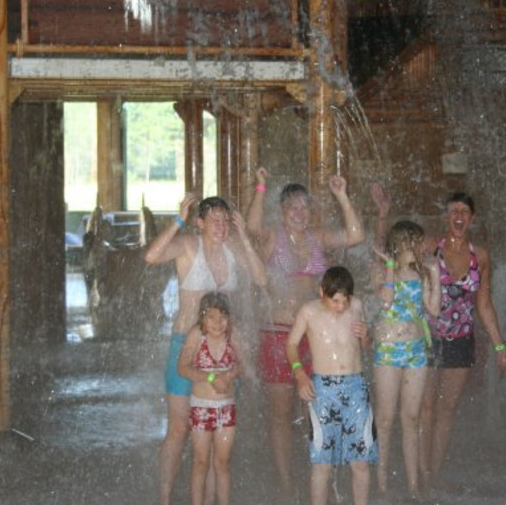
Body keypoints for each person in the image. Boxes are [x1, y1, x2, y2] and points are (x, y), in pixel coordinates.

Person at [246, 168, 364, 501]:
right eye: (292, 208)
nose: (299, 213)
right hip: (278, 334)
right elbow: (252, 227)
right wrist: (261, 187)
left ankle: (315, 475)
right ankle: (285, 484)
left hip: (316, 337)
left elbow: (356, 235)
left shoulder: (319, 237)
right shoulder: (272, 236)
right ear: (282, 211)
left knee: (314, 411)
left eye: (304, 208)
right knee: (282, 413)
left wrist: (341, 195)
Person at [144, 193, 267, 505]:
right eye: (215, 220)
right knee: (179, 428)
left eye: (226, 220)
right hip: (185, 345)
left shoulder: (234, 247)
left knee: (214, 433)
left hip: (222, 350)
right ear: (200, 223)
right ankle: (164, 498)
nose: (221, 226)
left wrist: (244, 238)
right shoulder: (188, 245)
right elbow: (152, 256)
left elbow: (261, 277)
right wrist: (177, 220)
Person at [419, 191, 506, 493]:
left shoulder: (481, 256)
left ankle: (435, 474)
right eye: (453, 211)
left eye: (464, 211)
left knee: (447, 410)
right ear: (445, 216)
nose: (459, 216)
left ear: (472, 218)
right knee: (425, 408)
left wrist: (500, 346)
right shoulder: (428, 247)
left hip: (461, 340)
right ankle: (420, 476)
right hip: (426, 338)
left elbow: (484, 305)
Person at [286, 266, 377, 505]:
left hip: (355, 386)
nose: (340, 307)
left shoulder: (356, 306)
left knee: (360, 460)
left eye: (344, 301)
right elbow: (291, 345)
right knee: (322, 462)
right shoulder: (308, 312)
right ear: (321, 292)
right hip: (323, 390)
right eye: (335, 301)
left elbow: (366, 346)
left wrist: (366, 335)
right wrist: (300, 375)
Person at [372, 220, 441, 500]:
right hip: (388, 350)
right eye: (418, 242)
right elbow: (386, 300)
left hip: (415, 351)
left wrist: (435, 276)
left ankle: (413, 485)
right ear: (402, 244)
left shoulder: (422, 274)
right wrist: (389, 266)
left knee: (411, 418)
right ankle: (381, 483)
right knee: (386, 418)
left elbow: (434, 309)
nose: (423, 247)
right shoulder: (380, 270)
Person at [178, 292, 243, 505]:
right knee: (200, 462)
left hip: (226, 408)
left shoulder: (234, 335)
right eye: (211, 317)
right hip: (201, 407)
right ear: (202, 318)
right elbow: (182, 367)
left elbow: (245, 365)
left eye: (223, 316)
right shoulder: (197, 335)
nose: (218, 323)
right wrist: (211, 376)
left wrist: (230, 374)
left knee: (223, 463)